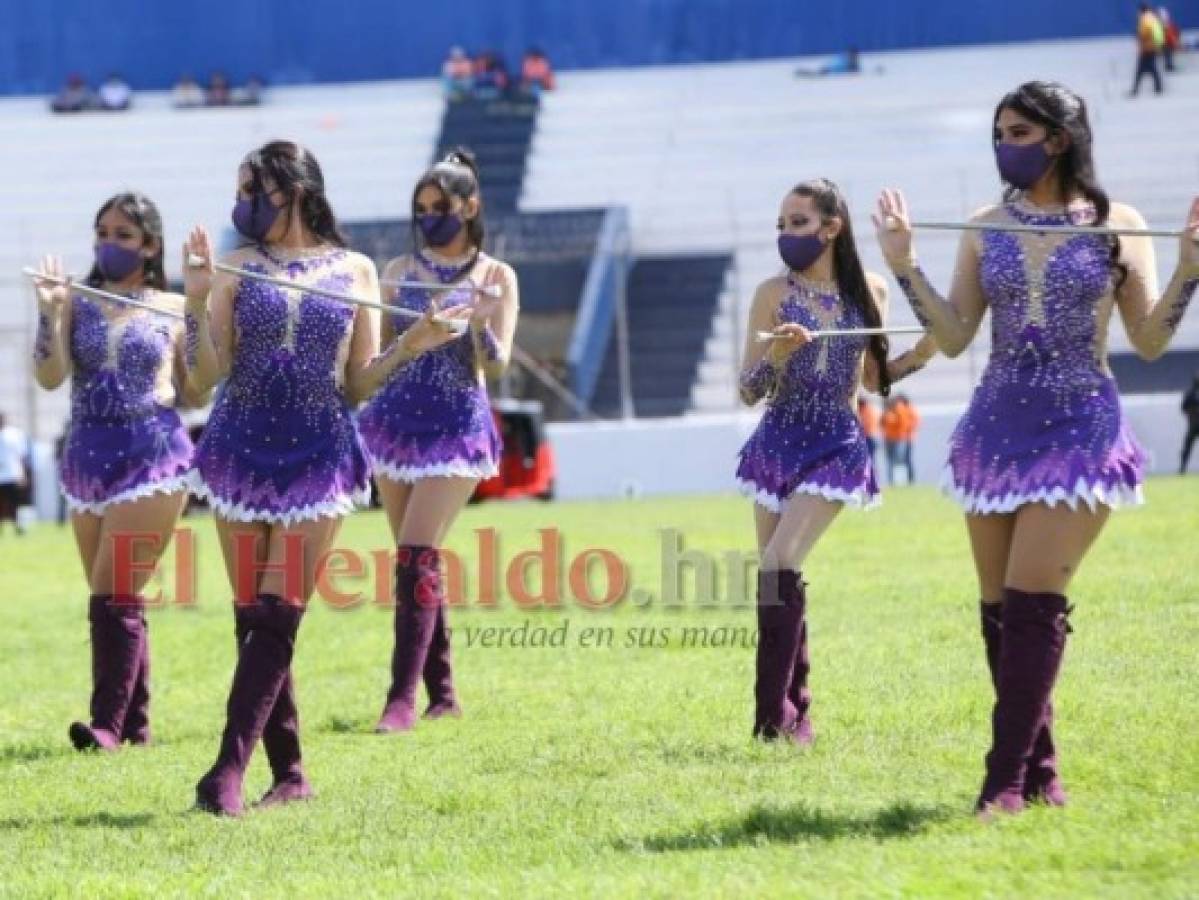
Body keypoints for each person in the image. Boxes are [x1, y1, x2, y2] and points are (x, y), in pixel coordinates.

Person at [876, 81, 1199, 817]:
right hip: (993, 428)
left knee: (1030, 604)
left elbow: (1147, 341)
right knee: (997, 614)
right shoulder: (984, 224)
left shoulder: (1117, 223)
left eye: (1018, 131)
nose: (1003, 144)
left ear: (1058, 138)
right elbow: (955, 335)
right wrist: (901, 265)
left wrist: (1187, 270)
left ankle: (1002, 784)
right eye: (998, 131)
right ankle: (1040, 771)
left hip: (1080, 425)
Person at [182, 140, 467, 816]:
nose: (241, 203)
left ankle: (225, 769)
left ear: (296, 191)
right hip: (238, 445)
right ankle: (291, 775)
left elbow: (359, 380)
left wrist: (412, 344)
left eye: (254, 189)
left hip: (319, 450)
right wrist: (195, 301)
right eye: (239, 190)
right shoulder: (235, 267)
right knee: (252, 617)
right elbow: (202, 377)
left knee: (279, 616)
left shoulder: (356, 269)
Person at [735, 178, 936, 745]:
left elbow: (874, 380)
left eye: (796, 223)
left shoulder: (868, 289)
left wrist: (921, 354)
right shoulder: (772, 293)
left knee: (780, 563)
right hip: (775, 443)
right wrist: (776, 353)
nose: (785, 235)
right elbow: (749, 391)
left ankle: (772, 722)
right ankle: (794, 711)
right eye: (780, 225)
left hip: (836, 446)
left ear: (831, 227)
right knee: (779, 579)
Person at [31, 192, 202, 751]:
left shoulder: (172, 307)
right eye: (102, 232)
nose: (110, 243)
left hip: (152, 455)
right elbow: (51, 377)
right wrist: (50, 313)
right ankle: (136, 724)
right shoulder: (76, 301)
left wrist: (202, 312)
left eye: (124, 235)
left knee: (112, 595)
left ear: (150, 245)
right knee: (116, 598)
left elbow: (198, 388)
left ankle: (105, 723)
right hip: (87, 457)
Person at [357, 148, 519, 733]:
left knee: (417, 553)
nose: (430, 217)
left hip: (456, 425)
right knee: (412, 563)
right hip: (394, 421)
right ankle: (442, 691)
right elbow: (381, 352)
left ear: (470, 207)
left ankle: (399, 699)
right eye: (421, 208)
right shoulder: (397, 269)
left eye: (441, 207)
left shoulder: (496, 276)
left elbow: (496, 366)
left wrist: (479, 321)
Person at [0, 412, 28, 536]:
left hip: (11, 475)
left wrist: (22, 474)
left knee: (14, 503)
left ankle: (18, 526)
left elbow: (20, 456)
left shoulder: (14, 434)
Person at [1130, 3, 1165, 97]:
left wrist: (1138, 35)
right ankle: (1157, 87)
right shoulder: (1152, 18)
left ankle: (1136, 90)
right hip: (1152, 47)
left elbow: (1145, 33)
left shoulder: (1145, 19)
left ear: (1141, 10)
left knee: (1144, 69)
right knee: (1147, 69)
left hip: (1147, 47)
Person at [880, 396, 906, 484]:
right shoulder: (887, 411)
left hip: (898, 439)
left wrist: (888, 416)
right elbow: (882, 423)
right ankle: (892, 481)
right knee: (890, 460)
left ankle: (901, 480)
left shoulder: (899, 409)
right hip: (888, 439)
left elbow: (900, 423)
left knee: (898, 460)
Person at [897, 393, 920, 481]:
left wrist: (905, 427)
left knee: (907, 459)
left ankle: (911, 479)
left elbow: (914, 423)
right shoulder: (903, 409)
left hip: (908, 437)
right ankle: (906, 478)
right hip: (903, 437)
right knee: (903, 459)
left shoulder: (910, 409)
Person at [857, 395, 880, 473]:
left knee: (869, 458)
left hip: (869, 437)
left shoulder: (866, 411)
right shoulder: (868, 410)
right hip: (870, 436)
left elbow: (864, 424)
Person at [1181, 373, 1199, 473]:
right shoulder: (1190, 394)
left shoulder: (1190, 393)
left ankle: (1182, 467)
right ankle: (1182, 467)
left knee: (1187, 447)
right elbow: (1184, 407)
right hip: (1193, 424)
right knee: (1187, 447)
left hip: (1193, 424)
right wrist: (1190, 414)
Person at [1159, 7, 1181, 72]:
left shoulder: (1169, 24)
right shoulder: (1164, 24)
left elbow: (1175, 32)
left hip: (1168, 41)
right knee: (1167, 54)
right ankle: (1168, 65)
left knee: (1168, 54)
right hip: (1166, 41)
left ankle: (1168, 65)